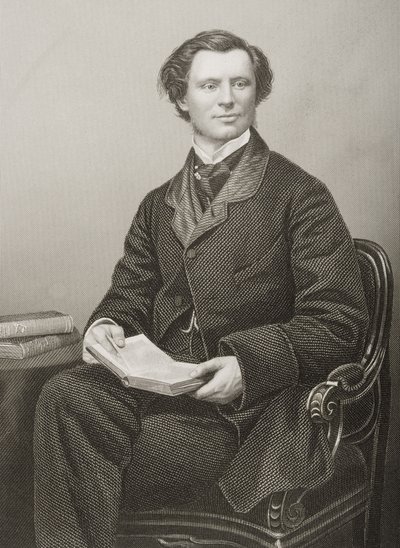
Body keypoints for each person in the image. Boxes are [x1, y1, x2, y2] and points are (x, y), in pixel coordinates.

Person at [34, 30, 368, 548]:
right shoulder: (157, 204)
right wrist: (106, 325)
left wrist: (247, 366)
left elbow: (339, 324)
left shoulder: (301, 195)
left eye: (241, 83)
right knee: (59, 396)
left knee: (71, 451)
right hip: (159, 395)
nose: (228, 98)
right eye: (210, 86)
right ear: (181, 99)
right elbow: (129, 295)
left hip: (249, 420)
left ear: (257, 93)